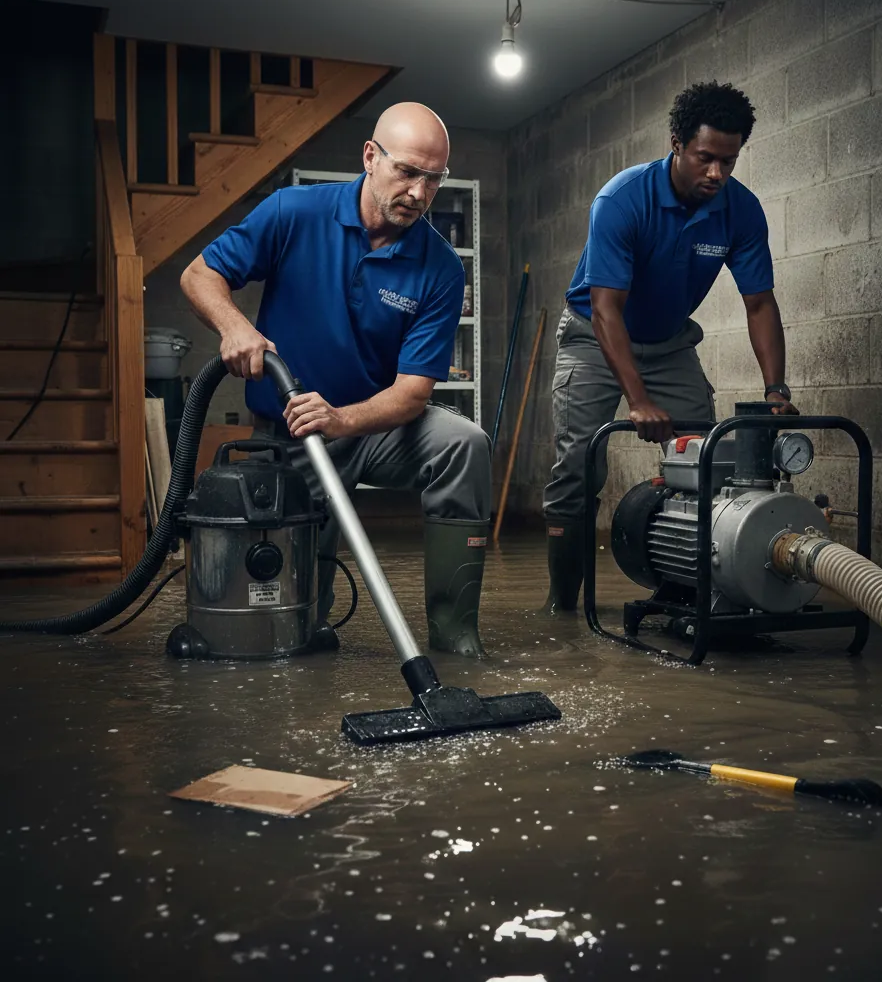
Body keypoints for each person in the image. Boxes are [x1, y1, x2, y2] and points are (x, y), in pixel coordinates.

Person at [180, 102, 491, 657]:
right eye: (407, 172)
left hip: (373, 427)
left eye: (434, 179)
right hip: (291, 436)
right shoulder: (293, 212)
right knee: (298, 625)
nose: (419, 193)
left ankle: (455, 635)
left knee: (465, 445)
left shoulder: (441, 267)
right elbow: (200, 274)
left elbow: (413, 393)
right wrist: (235, 327)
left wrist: (342, 419)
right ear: (371, 157)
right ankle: (303, 617)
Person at [543, 80, 798, 614]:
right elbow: (607, 307)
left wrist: (775, 390)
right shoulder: (622, 199)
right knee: (576, 471)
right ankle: (563, 606)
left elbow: (759, 304)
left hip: (668, 340)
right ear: (677, 142)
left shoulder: (741, 211)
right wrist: (636, 399)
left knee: (710, 459)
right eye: (706, 158)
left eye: (729, 162)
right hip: (596, 335)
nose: (717, 174)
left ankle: (695, 593)